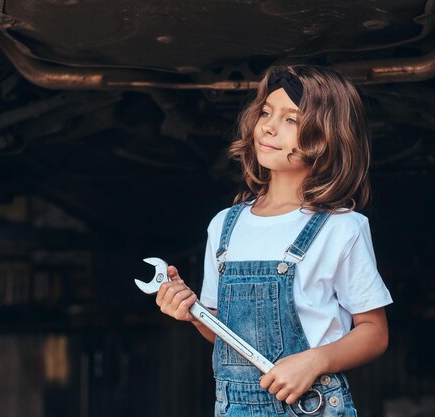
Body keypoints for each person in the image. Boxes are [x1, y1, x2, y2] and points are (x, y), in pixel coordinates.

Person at [156, 64, 392, 416]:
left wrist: (315, 361)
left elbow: (374, 332)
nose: (268, 126)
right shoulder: (224, 226)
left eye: (291, 120)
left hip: (312, 406)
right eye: (266, 112)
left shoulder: (341, 228)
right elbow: (224, 335)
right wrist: (192, 313)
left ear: (325, 136)